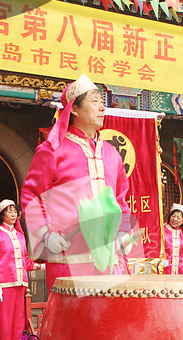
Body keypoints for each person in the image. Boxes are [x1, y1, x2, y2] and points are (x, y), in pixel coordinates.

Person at [21, 74, 131, 292]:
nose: (102, 107)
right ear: (74, 109)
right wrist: (45, 233)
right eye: (95, 101)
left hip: (111, 259)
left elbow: (121, 200)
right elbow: (31, 195)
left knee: (113, 320)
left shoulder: (111, 154)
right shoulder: (53, 151)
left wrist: (123, 232)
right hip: (69, 258)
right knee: (76, 322)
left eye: (103, 102)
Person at [0, 200, 44, 340]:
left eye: (15, 211)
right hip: (3, 284)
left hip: (19, 283)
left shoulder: (20, 235)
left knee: (18, 320)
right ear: (2, 214)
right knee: (3, 320)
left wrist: (40, 266)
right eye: (9, 211)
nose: (13, 214)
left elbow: (25, 261)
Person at [163, 204, 183, 274]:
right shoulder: (162, 231)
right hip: (164, 270)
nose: (175, 219)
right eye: (173, 216)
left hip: (180, 271)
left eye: (178, 218)